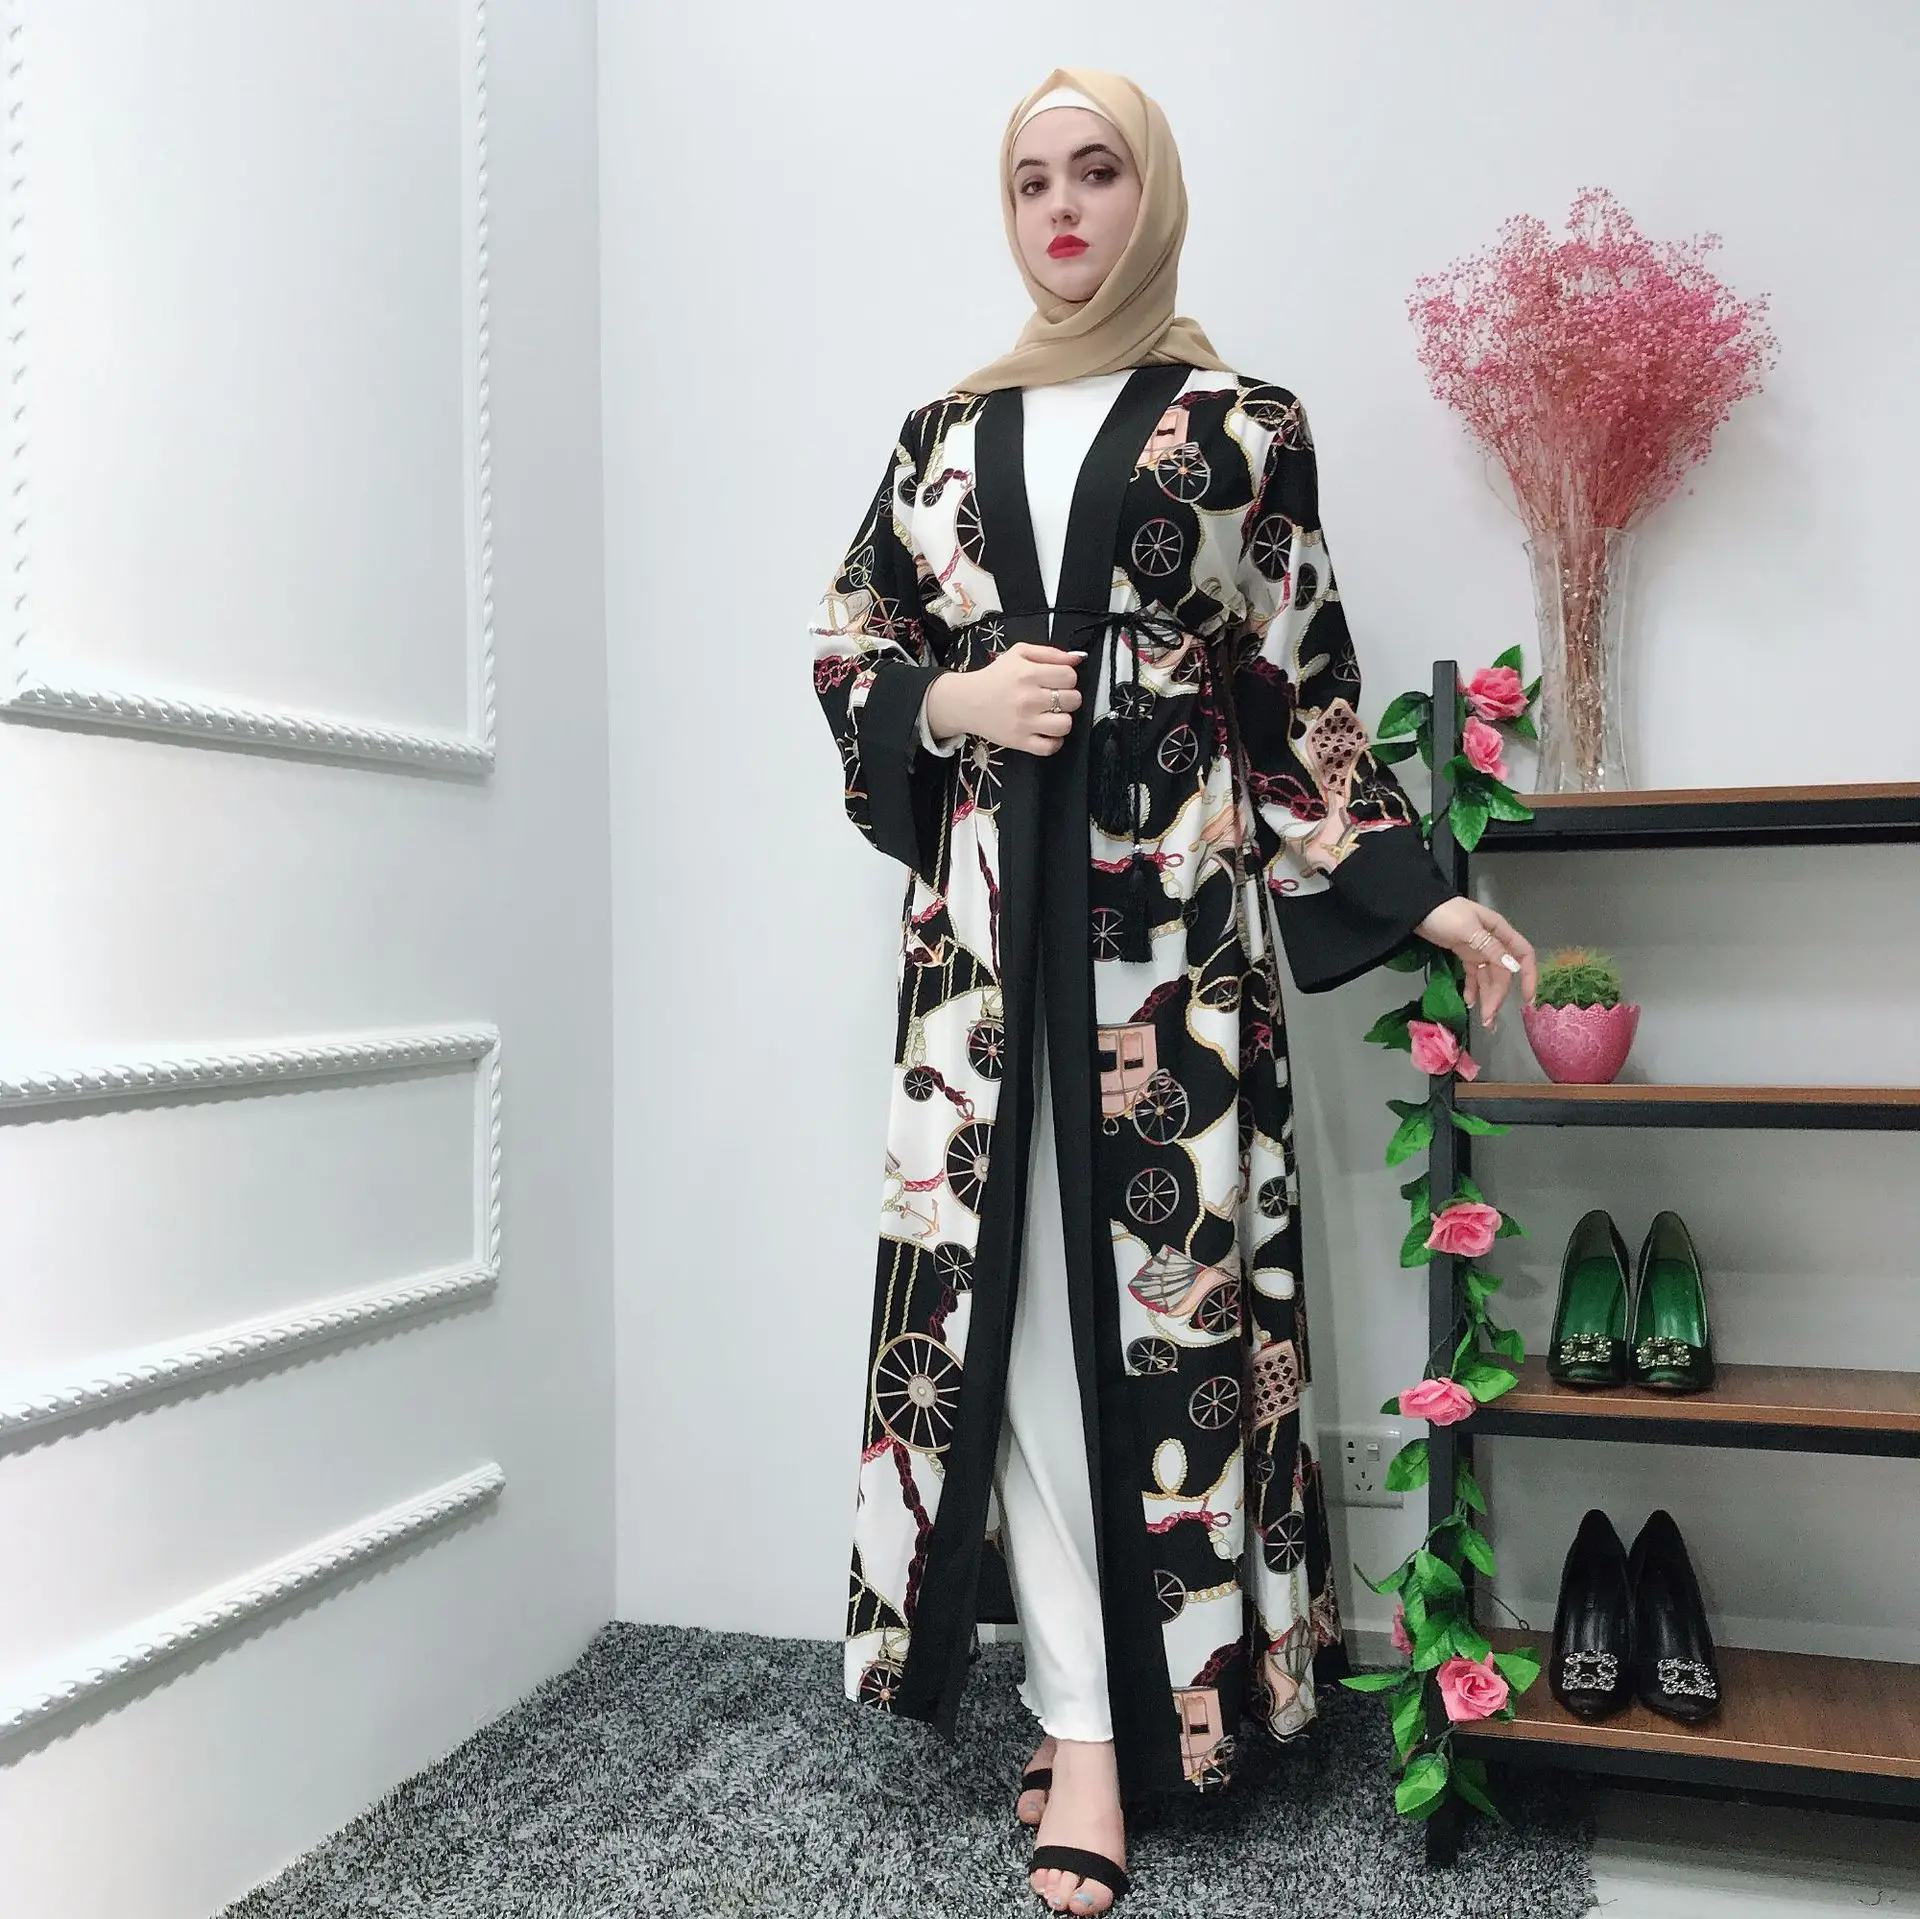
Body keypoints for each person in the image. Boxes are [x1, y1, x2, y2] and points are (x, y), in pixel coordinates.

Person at [810, 67, 1536, 1915]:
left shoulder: (1243, 429)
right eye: (1029, 180)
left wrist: (1425, 897)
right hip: (984, 965)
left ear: (1157, 192)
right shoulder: (936, 438)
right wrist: (956, 699)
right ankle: (1082, 1722)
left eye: (1098, 169)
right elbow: (850, 646)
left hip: (1172, 967)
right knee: (1010, 1317)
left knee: (1158, 1323)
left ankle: (1162, 1704)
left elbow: (1301, 694)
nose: (1062, 208)